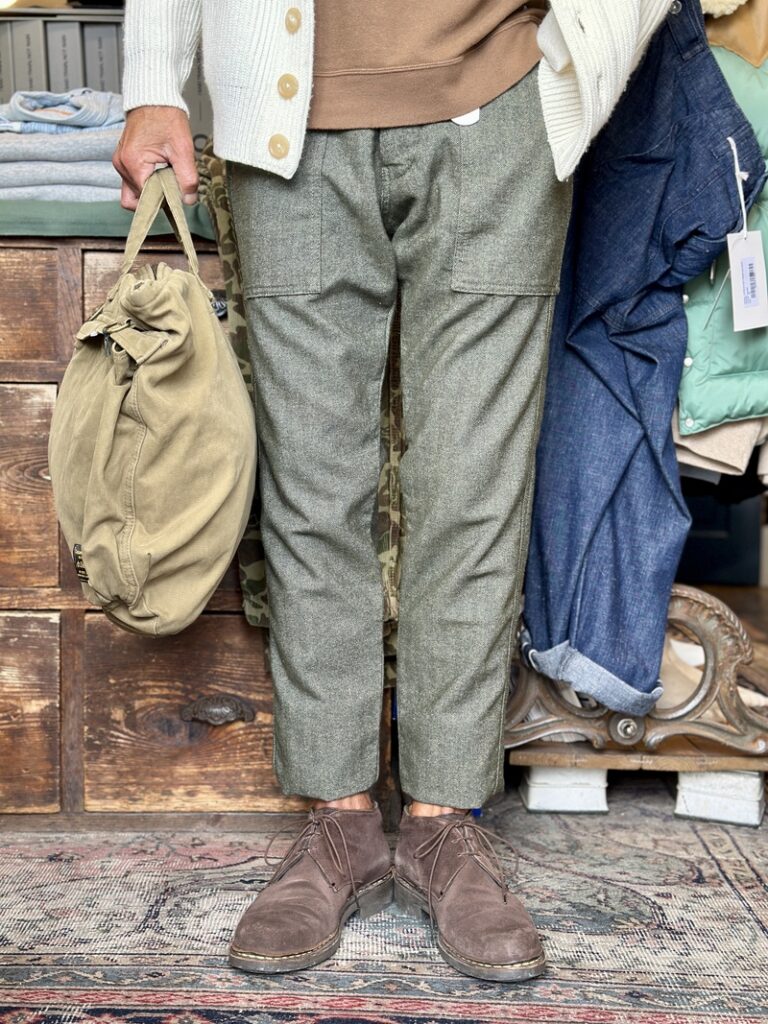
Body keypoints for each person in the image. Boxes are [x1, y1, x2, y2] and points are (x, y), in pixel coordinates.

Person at [115, 0, 673, 983]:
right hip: (283, 118)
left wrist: (571, 74)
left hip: (499, 105)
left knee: (472, 491)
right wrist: (154, 81)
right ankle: (339, 819)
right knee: (310, 488)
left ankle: (442, 818)